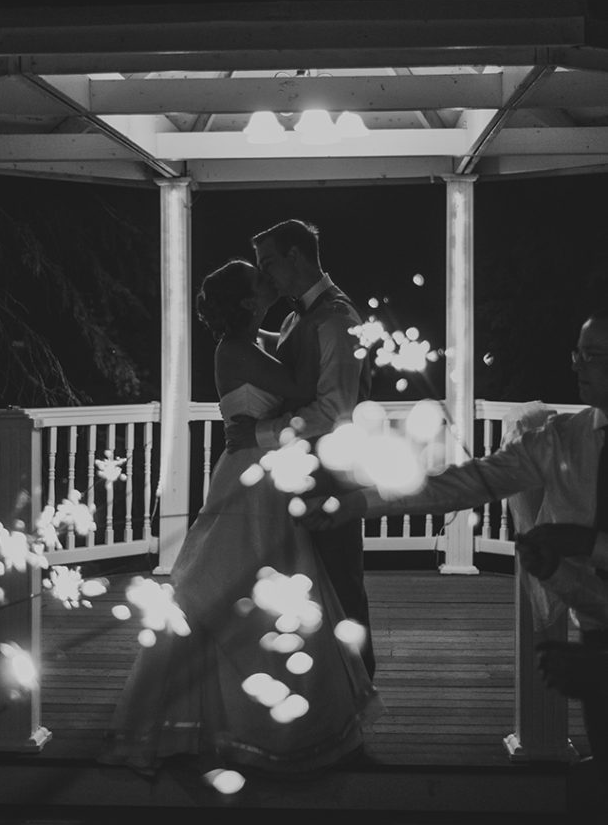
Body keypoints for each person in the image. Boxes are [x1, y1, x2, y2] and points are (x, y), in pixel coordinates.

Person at [297, 306, 608, 779]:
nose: (577, 365)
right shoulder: (561, 439)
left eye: (594, 355)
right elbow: (463, 482)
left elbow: (586, 541)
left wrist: (585, 541)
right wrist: (358, 503)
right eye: (577, 353)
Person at [99, 258, 378, 779]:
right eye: (260, 280)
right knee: (242, 587)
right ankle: (250, 720)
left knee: (263, 588)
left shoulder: (253, 342)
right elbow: (302, 388)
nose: (269, 281)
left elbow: (283, 350)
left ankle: (245, 715)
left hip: (264, 470)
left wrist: (306, 329)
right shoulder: (238, 351)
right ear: (249, 301)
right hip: (253, 477)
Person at [225, 220, 376, 680]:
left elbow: (334, 409)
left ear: (296, 256)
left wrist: (260, 434)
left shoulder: (336, 320)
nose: (264, 275)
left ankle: (358, 693)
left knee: (340, 584)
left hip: (332, 477)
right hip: (300, 474)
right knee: (305, 591)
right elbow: (291, 356)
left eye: (269, 262)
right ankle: (323, 699)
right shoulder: (298, 318)